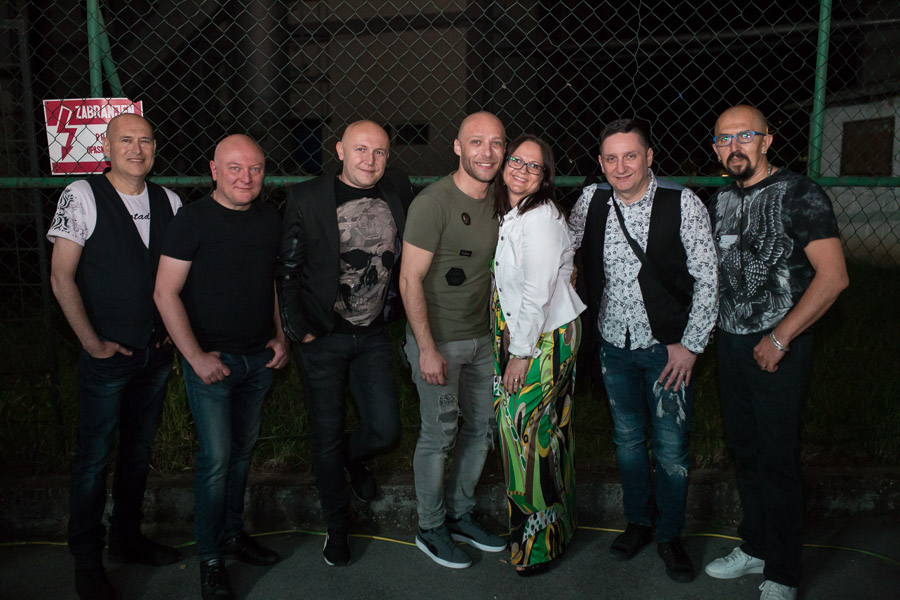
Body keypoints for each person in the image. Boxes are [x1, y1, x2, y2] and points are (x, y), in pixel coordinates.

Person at [703, 105, 848, 600]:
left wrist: (781, 338)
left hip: (780, 344)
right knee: (744, 450)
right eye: (724, 139)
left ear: (766, 141)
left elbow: (834, 276)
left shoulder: (800, 193)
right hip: (731, 342)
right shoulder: (721, 199)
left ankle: (783, 572)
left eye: (745, 135)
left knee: (777, 457)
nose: (734, 146)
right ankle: (757, 546)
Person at [568, 118, 718, 583]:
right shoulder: (591, 201)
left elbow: (708, 278)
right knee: (628, 440)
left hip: (666, 349)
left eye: (630, 155)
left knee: (671, 448)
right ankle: (638, 522)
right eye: (611, 158)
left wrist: (691, 346)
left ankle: (670, 535)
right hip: (613, 343)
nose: (621, 166)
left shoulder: (682, 202)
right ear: (600, 163)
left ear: (649, 157)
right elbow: (562, 254)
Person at [48, 112, 182, 600]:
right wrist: (91, 342)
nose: (136, 149)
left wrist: (174, 334)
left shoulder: (170, 201)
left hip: (154, 353)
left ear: (154, 148)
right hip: (107, 356)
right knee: (94, 457)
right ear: (106, 147)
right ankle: (87, 559)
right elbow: (61, 276)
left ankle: (127, 537)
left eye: (145, 140)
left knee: (138, 450)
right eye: (126, 140)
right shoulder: (82, 195)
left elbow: (180, 276)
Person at [153, 134, 289, 600]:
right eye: (234, 168)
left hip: (258, 360)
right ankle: (210, 556)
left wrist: (280, 336)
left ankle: (232, 533)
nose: (245, 178)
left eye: (255, 169)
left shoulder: (269, 219)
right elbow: (165, 292)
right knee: (215, 461)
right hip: (212, 363)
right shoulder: (191, 220)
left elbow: (272, 283)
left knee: (242, 454)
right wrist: (194, 357)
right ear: (213, 170)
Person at [277, 120, 413, 566]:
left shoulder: (397, 189)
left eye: (379, 151)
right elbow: (288, 269)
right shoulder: (307, 197)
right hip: (323, 335)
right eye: (360, 150)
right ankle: (337, 528)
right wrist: (299, 331)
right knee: (326, 434)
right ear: (339, 150)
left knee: (385, 429)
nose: (369, 160)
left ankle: (352, 461)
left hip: (372, 332)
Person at [399, 111, 508, 569]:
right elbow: (409, 279)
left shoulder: (501, 199)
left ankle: (460, 515)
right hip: (439, 339)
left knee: (482, 429)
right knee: (439, 435)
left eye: (497, 143)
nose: (487, 152)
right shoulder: (433, 203)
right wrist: (426, 348)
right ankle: (430, 526)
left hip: (482, 338)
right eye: (476, 142)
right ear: (459, 147)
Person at [491, 135, 586, 576]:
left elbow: (536, 293)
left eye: (535, 166)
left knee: (521, 432)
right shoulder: (512, 213)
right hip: (536, 333)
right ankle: (558, 528)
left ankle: (536, 547)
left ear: (545, 177)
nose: (523, 170)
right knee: (549, 431)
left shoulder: (541, 217)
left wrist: (520, 354)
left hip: (543, 337)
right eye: (517, 160)